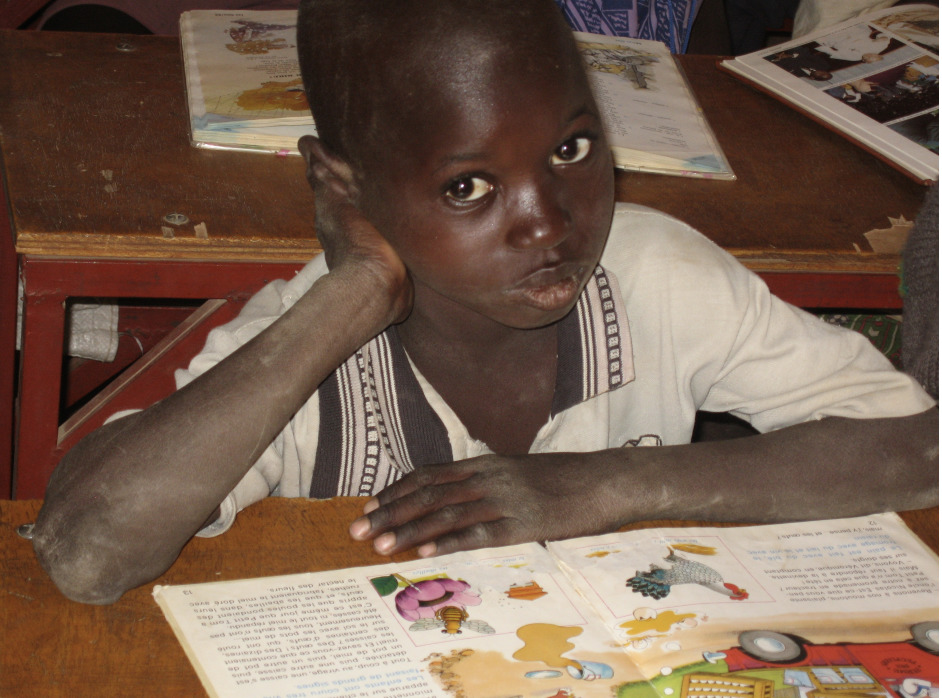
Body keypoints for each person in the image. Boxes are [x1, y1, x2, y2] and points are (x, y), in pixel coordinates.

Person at [31, 0, 937, 605]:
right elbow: (85, 556)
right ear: (342, 186)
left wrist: (614, 484)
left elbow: (922, 450)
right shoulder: (304, 343)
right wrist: (351, 294)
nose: (549, 222)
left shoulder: (654, 272)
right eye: (468, 187)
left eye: (573, 149)